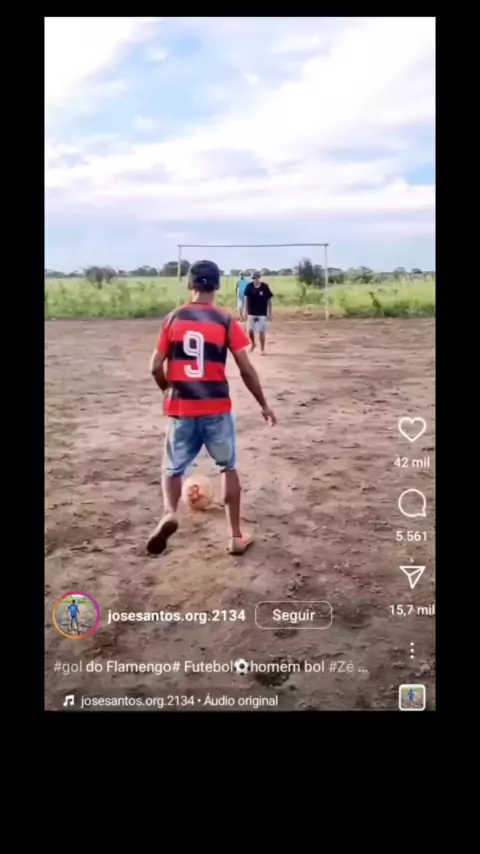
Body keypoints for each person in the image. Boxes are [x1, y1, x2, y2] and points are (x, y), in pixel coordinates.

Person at [148, 259, 277, 557]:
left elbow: (154, 366)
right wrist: (264, 404)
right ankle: (235, 537)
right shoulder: (224, 320)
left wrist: (168, 390)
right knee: (227, 467)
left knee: (172, 468)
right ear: (217, 286)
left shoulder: (173, 318)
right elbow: (245, 368)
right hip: (216, 408)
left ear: (190, 284)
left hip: (182, 408)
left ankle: (169, 513)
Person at [243, 272, 273, 354]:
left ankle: (262, 349)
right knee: (250, 330)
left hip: (262, 312)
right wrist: (245, 310)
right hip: (251, 312)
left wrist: (269, 312)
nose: (255, 280)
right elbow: (246, 299)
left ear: (260, 278)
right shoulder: (249, 286)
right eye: (253, 278)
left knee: (261, 331)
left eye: (256, 278)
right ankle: (253, 344)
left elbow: (269, 300)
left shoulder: (265, 287)